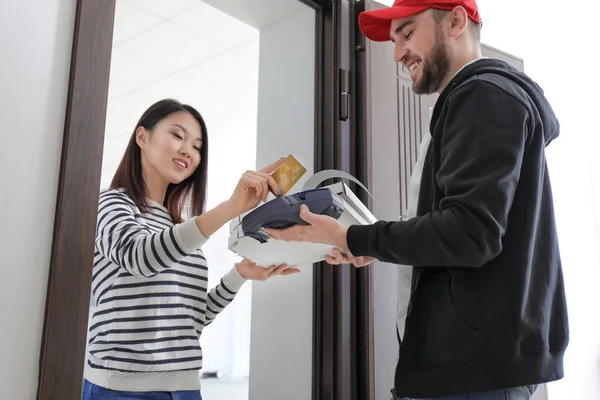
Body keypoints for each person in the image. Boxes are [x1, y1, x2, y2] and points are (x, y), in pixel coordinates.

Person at [265, 0, 569, 399]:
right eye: (394, 40)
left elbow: (468, 233)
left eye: (407, 33)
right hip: (460, 369)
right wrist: (364, 242)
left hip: (473, 377)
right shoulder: (465, 103)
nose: (396, 54)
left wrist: (354, 238)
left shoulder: (483, 96)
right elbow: (463, 231)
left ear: (457, 20)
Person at [82, 98, 299, 400]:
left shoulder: (182, 230)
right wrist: (228, 209)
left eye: (197, 146)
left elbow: (191, 320)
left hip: (186, 390)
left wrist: (238, 275)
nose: (188, 150)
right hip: (120, 390)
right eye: (177, 135)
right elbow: (140, 256)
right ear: (142, 137)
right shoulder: (111, 204)